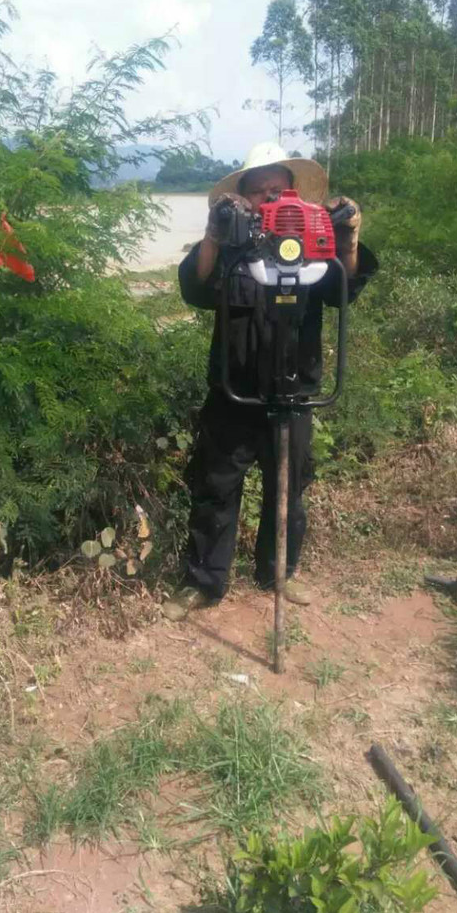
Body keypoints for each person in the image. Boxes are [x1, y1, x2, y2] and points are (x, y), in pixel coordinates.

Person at [163, 142, 378, 621]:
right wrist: (214, 233)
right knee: (216, 489)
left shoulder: (314, 247)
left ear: (293, 193)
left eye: (276, 189)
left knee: (289, 490)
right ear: (244, 198)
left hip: (294, 394)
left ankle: (279, 572)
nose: (269, 198)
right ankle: (203, 583)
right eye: (259, 191)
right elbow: (195, 287)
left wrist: (348, 238)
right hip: (233, 393)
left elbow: (344, 289)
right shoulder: (230, 246)